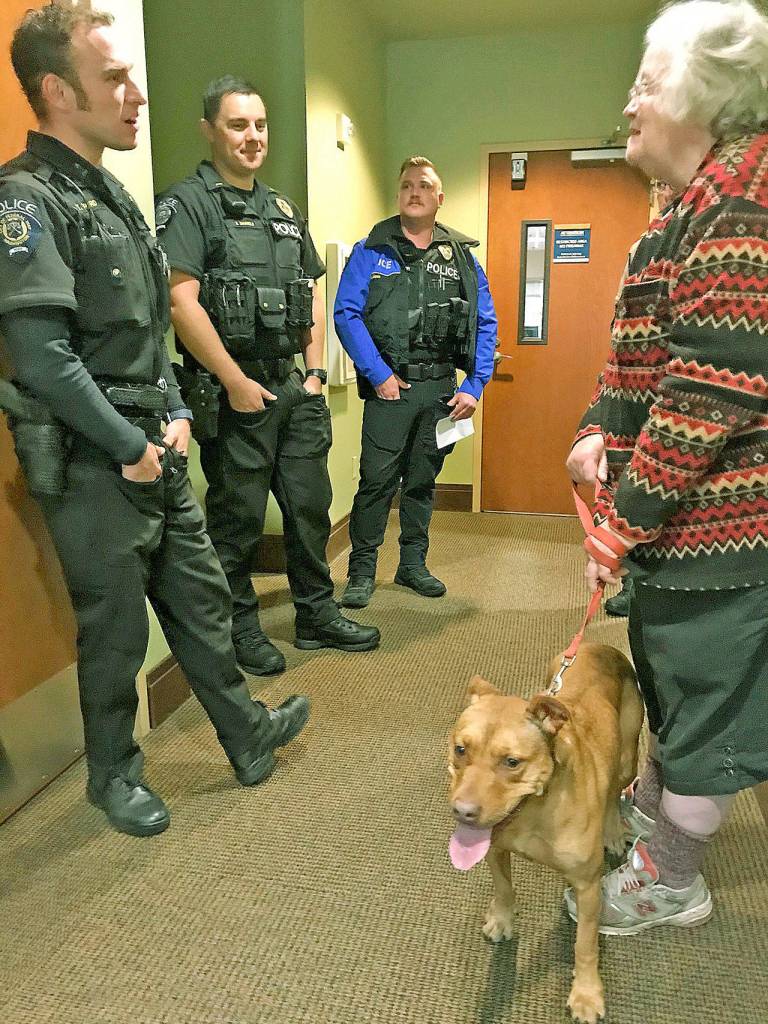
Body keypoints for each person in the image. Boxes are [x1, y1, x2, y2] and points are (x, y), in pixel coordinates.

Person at [0, 4, 309, 837]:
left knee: (201, 602)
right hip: (96, 457)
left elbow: (150, 327)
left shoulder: (115, 198)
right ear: (58, 90)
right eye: (114, 78)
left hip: (154, 443)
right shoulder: (26, 201)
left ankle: (246, 735)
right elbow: (43, 359)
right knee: (114, 632)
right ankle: (114, 776)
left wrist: (172, 411)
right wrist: (129, 444)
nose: (136, 94)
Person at [565, 0, 768, 934]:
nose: (628, 102)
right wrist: (595, 430)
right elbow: (634, 367)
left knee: (709, 711)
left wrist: (619, 526)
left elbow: (705, 396)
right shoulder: (676, 216)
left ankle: (673, 882)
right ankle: (657, 817)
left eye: (647, 82)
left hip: (728, 544)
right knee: (675, 684)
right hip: (679, 540)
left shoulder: (741, 201)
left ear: (704, 93)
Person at [157, 77, 380, 676]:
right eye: (238, 125)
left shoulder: (282, 210)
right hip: (235, 393)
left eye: (259, 125)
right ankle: (240, 630)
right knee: (238, 521)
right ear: (209, 130)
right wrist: (233, 380)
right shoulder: (189, 206)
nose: (253, 137)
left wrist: (315, 372)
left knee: (309, 509)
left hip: (292, 386)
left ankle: (317, 615)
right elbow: (181, 301)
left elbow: (310, 290)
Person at [333, 157, 498, 607]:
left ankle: (412, 565)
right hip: (390, 391)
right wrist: (379, 374)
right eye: (407, 185)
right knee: (375, 482)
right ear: (398, 195)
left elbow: (485, 323)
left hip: (442, 392)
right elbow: (346, 314)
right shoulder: (371, 250)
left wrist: (474, 385)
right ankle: (361, 571)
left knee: (423, 482)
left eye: (424, 185)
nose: (415, 192)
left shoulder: (462, 258)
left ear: (439, 198)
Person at [589, 179, 679, 619]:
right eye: (657, 185)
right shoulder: (642, 249)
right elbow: (620, 341)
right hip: (634, 405)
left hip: (679, 409)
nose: (665, 190)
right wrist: (595, 422)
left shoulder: (716, 232)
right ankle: (632, 583)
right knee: (628, 486)